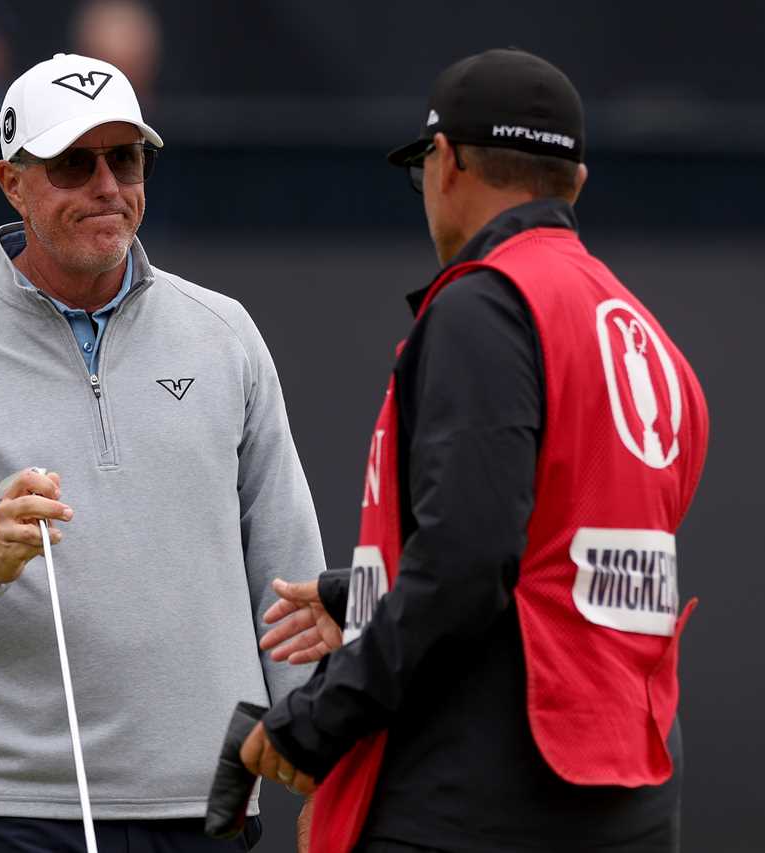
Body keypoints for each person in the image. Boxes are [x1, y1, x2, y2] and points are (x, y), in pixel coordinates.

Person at [0, 53, 325, 853]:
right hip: (16, 803)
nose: (107, 185)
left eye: (125, 158)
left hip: (213, 796)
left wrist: (323, 757)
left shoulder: (224, 332)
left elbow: (287, 571)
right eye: (73, 163)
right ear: (13, 182)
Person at [243, 48, 710, 852]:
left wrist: (316, 722)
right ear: (578, 183)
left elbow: (466, 562)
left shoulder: (487, 304)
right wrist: (360, 594)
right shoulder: (645, 334)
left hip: (481, 795)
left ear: (446, 161)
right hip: (626, 787)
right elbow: (550, 557)